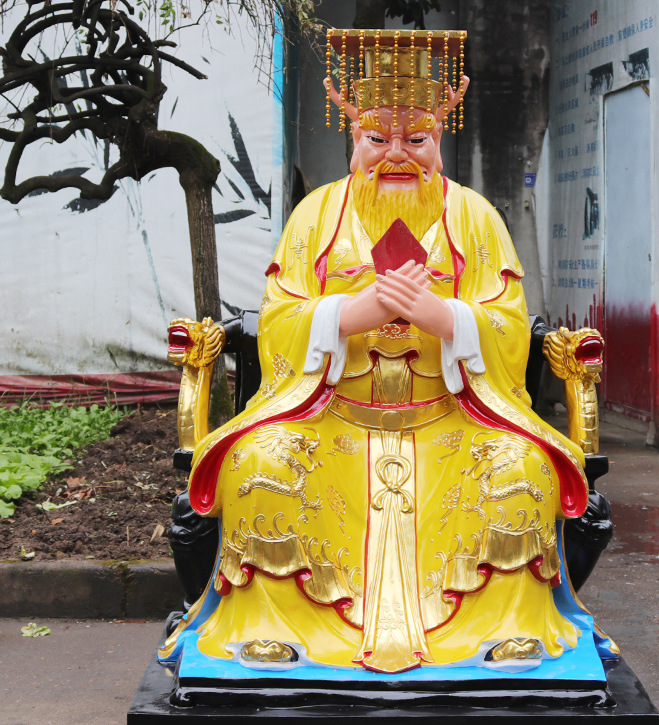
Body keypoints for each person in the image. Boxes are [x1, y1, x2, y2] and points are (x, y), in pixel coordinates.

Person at [160, 30, 600, 676]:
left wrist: (445, 318)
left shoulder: (476, 219)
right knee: (260, 466)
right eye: (377, 137)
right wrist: (349, 314)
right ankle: (274, 629)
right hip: (330, 419)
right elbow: (279, 317)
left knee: (522, 471)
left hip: (451, 421)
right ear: (353, 137)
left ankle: (503, 629)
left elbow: (508, 321)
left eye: (415, 138)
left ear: (439, 137)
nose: (396, 154)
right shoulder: (315, 216)